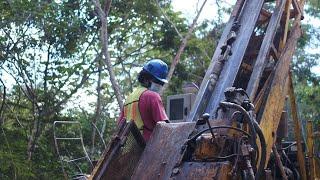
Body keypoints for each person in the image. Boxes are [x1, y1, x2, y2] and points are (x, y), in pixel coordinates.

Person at [118, 59, 169, 141]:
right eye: (156, 81)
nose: (159, 85)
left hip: (129, 148)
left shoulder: (129, 98)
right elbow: (165, 127)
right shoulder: (152, 96)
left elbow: (120, 126)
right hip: (147, 148)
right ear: (145, 79)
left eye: (161, 83)